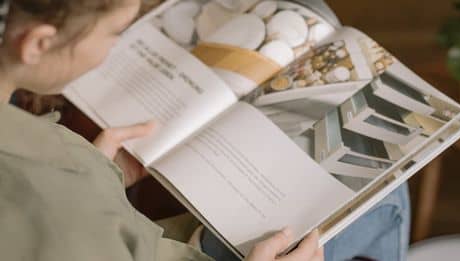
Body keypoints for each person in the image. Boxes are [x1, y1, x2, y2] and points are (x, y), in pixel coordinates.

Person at [0, 0, 410, 260]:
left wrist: (94, 172)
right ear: (37, 43)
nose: (113, 47)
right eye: (114, 32)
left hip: (94, 204)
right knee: (381, 198)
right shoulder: (45, 196)